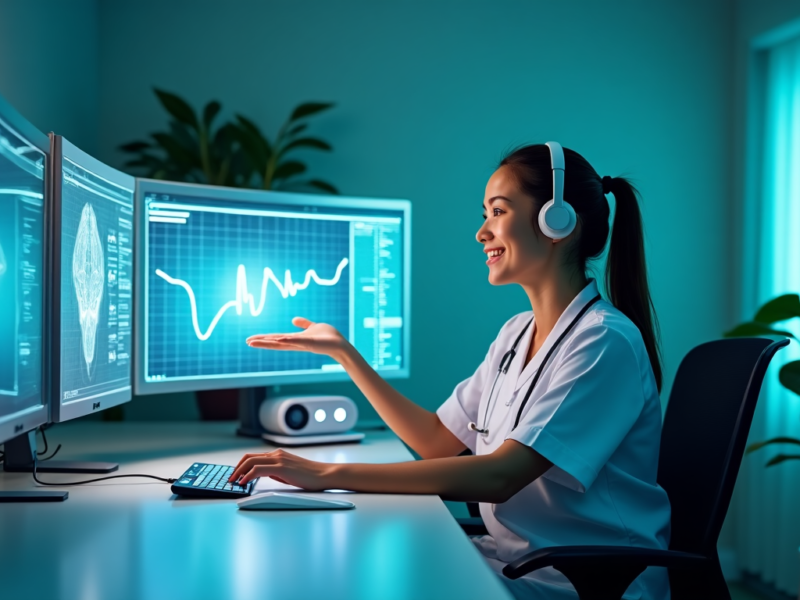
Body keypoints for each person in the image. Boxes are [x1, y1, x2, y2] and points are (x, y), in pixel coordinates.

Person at [231, 143, 671, 600]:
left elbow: (501, 476)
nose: (482, 232)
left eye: (498, 212)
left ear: (556, 220)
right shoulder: (517, 333)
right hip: (517, 560)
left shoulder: (603, 342)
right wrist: (346, 355)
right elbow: (437, 440)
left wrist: (324, 474)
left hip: (581, 580)